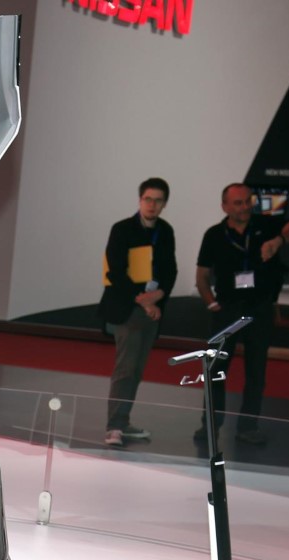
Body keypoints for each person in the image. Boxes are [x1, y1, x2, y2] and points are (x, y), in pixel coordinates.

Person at [195, 183, 289, 446]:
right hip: (227, 308)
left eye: (248, 201)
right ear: (225, 206)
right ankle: (210, 425)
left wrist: (278, 241)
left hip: (259, 307)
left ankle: (248, 426)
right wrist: (210, 303)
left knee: (256, 371)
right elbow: (202, 275)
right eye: (238, 203)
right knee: (216, 370)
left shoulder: (267, 226)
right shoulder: (214, 235)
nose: (245, 207)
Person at [98, 178, 177, 447]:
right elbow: (115, 272)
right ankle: (113, 427)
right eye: (148, 199)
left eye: (158, 200)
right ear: (140, 200)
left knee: (137, 370)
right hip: (128, 308)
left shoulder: (165, 231)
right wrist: (144, 301)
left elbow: (170, 270)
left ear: (164, 204)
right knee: (125, 369)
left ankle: (123, 421)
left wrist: (159, 295)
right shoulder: (122, 229)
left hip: (152, 309)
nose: (152, 205)